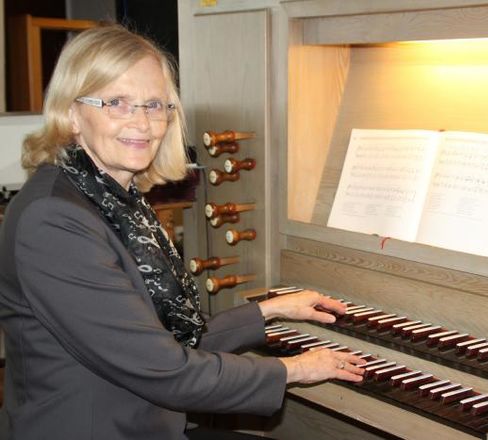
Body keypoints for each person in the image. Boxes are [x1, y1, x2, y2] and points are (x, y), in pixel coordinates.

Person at [0, 24, 365, 440]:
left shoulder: (113, 196)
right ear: (71, 113)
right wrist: (295, 368)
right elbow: (165, 368)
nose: (143, 123)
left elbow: (164, 335)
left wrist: (269, 311)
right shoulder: (55, 220)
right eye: (117, 102)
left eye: (155, 104)